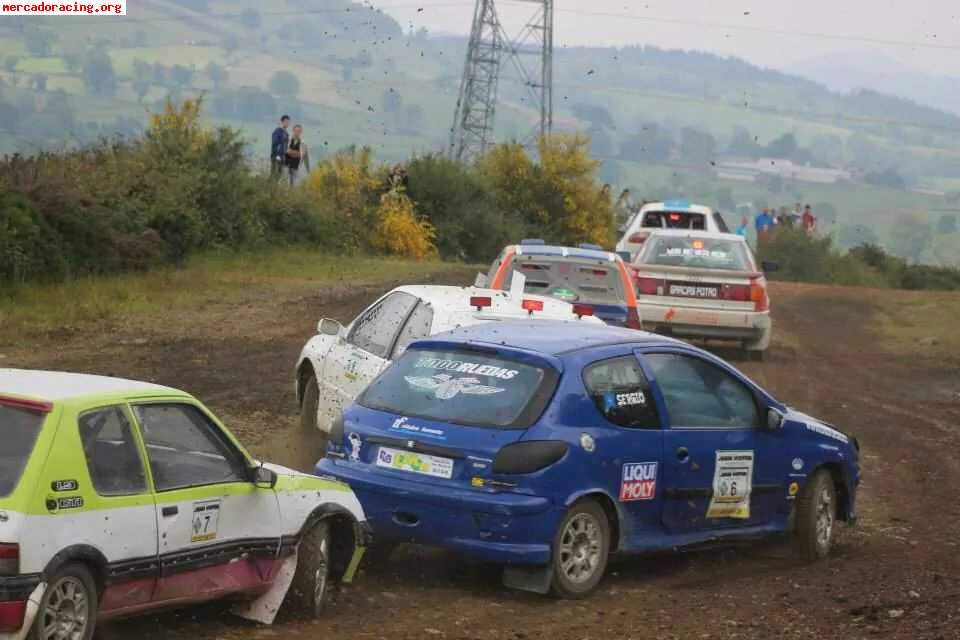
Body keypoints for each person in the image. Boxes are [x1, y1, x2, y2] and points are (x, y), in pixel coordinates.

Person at [270, 115, 290, 179]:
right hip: (277, 157)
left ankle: (274, 188)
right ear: (282, 122)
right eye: (286, 122)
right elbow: (275, 143)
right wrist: (277, 155)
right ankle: (269, 187)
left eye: (288, 122)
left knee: (279, 176)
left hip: (283, 157)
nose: (287, 123)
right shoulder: (277, 131)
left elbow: (286, 146)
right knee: (274, 174)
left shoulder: (286, 133)